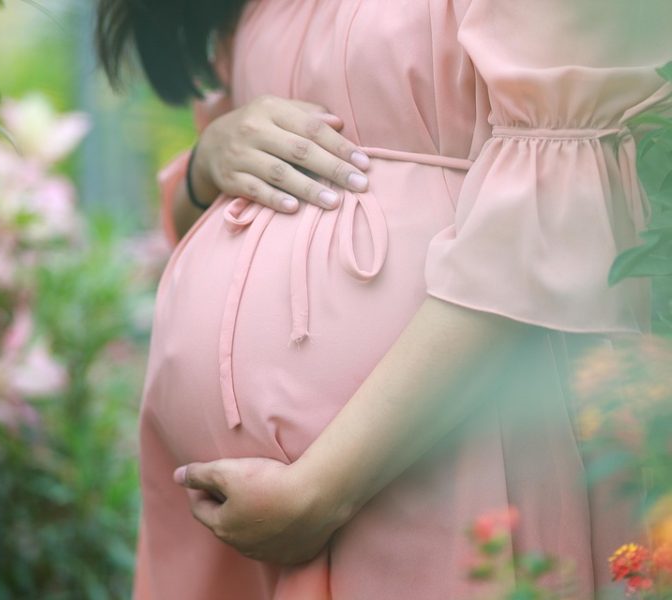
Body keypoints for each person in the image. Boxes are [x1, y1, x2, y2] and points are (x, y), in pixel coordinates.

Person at [96, 1, 672, 598]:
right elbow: (202, 213)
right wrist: (208, 157)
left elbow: (554, 224)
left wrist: (320, 491)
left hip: (441, 448)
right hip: (234, 532)